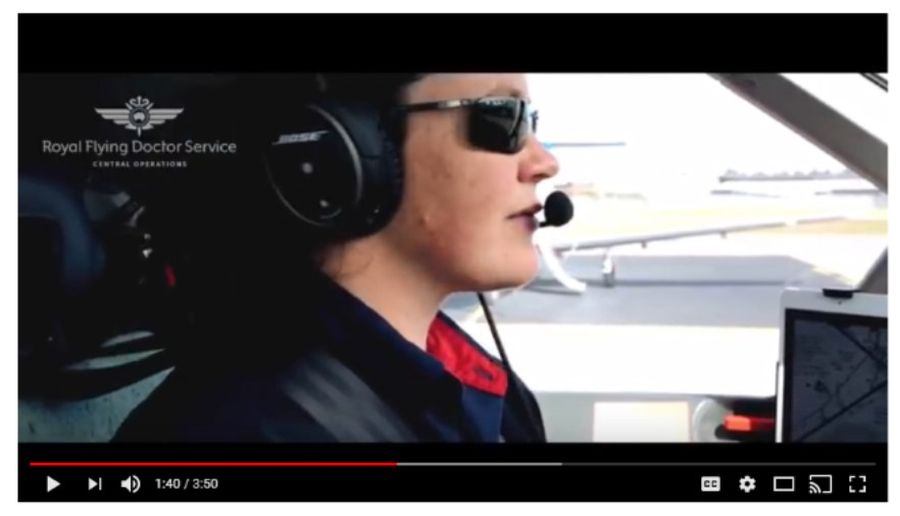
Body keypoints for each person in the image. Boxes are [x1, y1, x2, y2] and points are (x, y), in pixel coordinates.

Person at [113, 73, 560, 442]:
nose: (544, 162)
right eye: (503, 116)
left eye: (531, 120)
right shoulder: (238, 433)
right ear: (341, 148)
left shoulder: (491, 396)